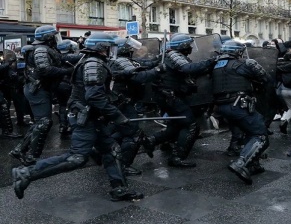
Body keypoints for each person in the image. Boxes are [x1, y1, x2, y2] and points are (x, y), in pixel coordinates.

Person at [11, 32, 144, 201]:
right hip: (85, 116)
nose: (112, 50)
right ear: (101, 48)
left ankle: (119, 189)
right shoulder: (94, 63)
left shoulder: (93, 61)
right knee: (77, 158)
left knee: (111, 150)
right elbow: (94, 96)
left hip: (92, 116)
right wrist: (118, 116)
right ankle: (26, 172)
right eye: (109, 47)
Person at [142, 34, 217, 168]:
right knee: (191, 126)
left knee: (176, 125)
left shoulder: (170, 56)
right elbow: (187, 68)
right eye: (188, 45)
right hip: (170, 96)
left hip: (167, 96)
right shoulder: (174, 55)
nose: (190, 48)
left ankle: (152, 140)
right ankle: (177, 157)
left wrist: (207, 67)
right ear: (183, 46)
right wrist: (211, 61)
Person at [9, 25, 73, 166]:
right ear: (48, 37)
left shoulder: (44, 49)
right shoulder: (41, 49)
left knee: (41, 122)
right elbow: (45, 69)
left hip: (40, 88)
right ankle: (31, 156)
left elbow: (61, 58)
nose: (56, 39)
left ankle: (20, 150)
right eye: (54, 36)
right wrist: (67, 71)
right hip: (37, 89)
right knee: (44, 122)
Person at [211, 40, 269, 184]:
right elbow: (264, 78)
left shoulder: (216, 66)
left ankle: (253, 164)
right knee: (260, 135)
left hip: (222, 107)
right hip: (239, 105)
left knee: (249, 132)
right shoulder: (244, 64)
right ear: (237, 52)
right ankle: (242, 163)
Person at [108, 36, 162, 176]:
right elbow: (138, 76)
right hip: (123, 103)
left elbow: (141, 64)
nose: (133, 50)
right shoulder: (121, 61)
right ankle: (123, 166)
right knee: (133, 134)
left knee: (119, 131)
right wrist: (157, 71)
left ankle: (104, 153)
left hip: (120, 102)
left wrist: (158, 60)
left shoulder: (120, 60)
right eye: (130, 47)